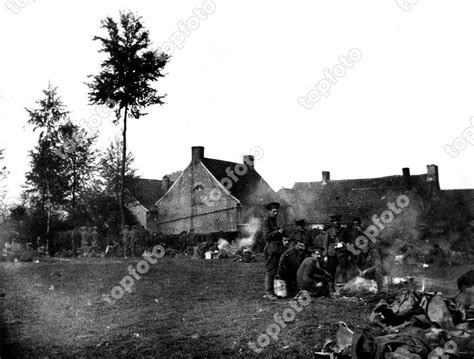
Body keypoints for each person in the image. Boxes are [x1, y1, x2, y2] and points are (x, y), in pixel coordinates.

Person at [263, 202, 285, 300]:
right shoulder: (266, 222)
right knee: (270, 271)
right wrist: (278, 232)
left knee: (275, 270)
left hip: (277, 249)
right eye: (274, 211)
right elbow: (266, 236)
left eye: (277, 211)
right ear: (269, 211)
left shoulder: (274, 221)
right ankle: (269, 293)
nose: (276, 213)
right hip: (271, 249)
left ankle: (272, 292)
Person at [323, 214, 350, 289]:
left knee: (344, 271)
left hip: (342, 253)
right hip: (332, 253)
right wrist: (325, 255)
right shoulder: (329, 231)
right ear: (332, 222)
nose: (336, 222)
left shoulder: (344, 231)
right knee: (332, 271)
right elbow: (325, 243)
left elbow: (348, 242)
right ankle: (331, 288)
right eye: (334, 221)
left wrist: (343, 244)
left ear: (339, 221)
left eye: (337, 221)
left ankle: (346, 288)